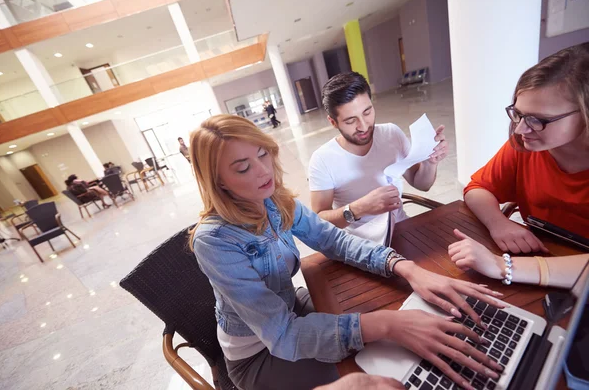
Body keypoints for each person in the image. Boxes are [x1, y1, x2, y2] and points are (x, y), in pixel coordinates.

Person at [189, 114, 503, 390]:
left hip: (293, 308)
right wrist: (388, 325)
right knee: (384, 369)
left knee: (403, 325)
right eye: (243, 168)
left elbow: (334, 240)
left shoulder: (273, 201)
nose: (262, 171)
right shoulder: (214, 239)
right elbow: (282, 334)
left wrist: (406, 267)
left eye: (262, 154)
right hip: (259, 355)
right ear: (219, 182)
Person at [448, 42, 589, 289]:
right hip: (544, 262)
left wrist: (503, 267)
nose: (522, 129)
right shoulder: (527, 147)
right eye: (518, 114)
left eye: (538, 120)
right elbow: (478, 187)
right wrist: (498, 223)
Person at [309, 72, 448, 245]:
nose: (363, 126)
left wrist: (429, 162)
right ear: (333, 122)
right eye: (351, 121)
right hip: (361, 246)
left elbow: (422, 184)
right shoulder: (322, 159)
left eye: (367, 112)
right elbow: (318, 222)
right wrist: (359, 208)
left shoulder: (391, 133)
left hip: (402, 231)